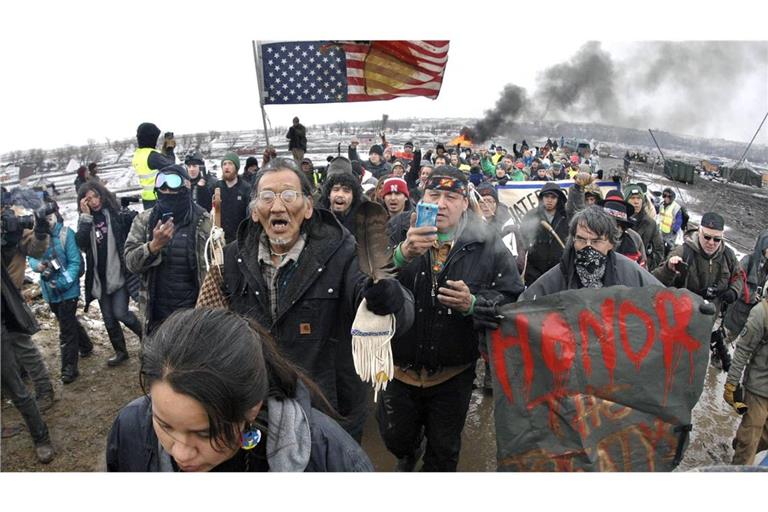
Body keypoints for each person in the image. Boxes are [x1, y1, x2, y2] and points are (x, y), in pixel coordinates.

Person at [222, 157, 414, 442]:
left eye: (289, 195)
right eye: (267, 197)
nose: (277, 206)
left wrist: (390, 298)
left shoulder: (343, 250)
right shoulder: (232, 257)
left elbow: (394, 308)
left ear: (308, 207)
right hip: (261, 410)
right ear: (254, 211)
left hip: (329, 410)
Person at [106, 308, 373, 472]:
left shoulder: (329, 457)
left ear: (252, 407)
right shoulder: (130, 429)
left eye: (205, 433)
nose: (180, 454)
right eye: (165, 426)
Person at [381, 166, 524, 471]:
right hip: (397, 367)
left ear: (464, 203)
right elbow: (365, 279)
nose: (442, 203)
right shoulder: (396, 230)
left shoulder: (486, 243)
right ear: (422, 199)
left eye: (451, 196)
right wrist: (401, 255)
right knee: (395, 438)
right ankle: (408, 451)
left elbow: (511, 297)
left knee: (444, 453)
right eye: (434, 195)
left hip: (453, 373)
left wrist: (473, 304)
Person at [124, 164, 212, 336]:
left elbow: (215, 270)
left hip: (192, 316)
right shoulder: (145, 221)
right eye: (162, 188)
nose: (167, 193)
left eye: (172, 188)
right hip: (156, 315)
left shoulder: (204, 222)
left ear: (185, 188)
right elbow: (130, 263)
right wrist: (153, 246)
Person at [1, 190, 56, 463]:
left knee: (22, 356)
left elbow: (35, 248)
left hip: (8, 302)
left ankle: (44, 399)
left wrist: (41, 229)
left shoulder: (11, 225)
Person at [653, 212, 743, 368]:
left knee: (695, 368)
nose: (711, 243)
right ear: (699, 232)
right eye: (707, 237)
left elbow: (739, 276)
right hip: (679, 324)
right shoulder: (683, 251)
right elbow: (655, 281)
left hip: (706, 325)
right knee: (670, 365)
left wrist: (734, 291)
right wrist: (669, 268)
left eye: (716, 239)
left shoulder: (728, 256)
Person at [520, 206, 661, 299]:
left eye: (596, 241)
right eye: (581, 239)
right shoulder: (558, 276)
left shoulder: (630, 272)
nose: (588, 247)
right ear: (573, 239)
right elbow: (525, 307)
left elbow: (663, 300)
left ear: (611, 243)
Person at [76, 181, 143, 365]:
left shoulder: (114, 214)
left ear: (102, 195)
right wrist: (85, 217)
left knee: (120, 313)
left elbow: (131, 228)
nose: (94, 202)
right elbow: (81, 243)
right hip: (99, 278)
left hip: (119, 274)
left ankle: (145, 337)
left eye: (96, 196)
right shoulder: (85, 220)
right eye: (88, 199)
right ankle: (121, 352)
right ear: (83, 202)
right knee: (108, 319)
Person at [28, 201, 93, 384]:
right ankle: (86, 345)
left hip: (68, 291)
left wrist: (64, 282)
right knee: (68, 322)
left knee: (66, 331)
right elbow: (31, 256)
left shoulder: (66, 234)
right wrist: (37, 266)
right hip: (50, 291)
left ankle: (69, 369)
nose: (47, 222)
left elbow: (75, 262)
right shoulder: (37, 236)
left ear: (56, 215)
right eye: (43, 219)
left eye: (49, 218)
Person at [723, 293, 768, 465]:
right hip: (758, 390)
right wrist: (731, 384)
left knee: (761, 440)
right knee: (749, 443)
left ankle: (740, 443)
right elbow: (742, 350)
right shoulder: (761, 313)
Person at [518, 182, 571, 286]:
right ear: (541, 198)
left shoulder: (566, 217)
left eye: (553, 197)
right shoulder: (531, 215)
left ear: (558, 199)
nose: (549, 200)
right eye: (546, 196)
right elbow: (522, 240)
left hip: (558, 271)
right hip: (534, 272)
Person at [724, 230, 768, 344]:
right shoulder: (748, 261)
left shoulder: (765, 267)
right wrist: (753, 296)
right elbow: (736, 281)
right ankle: (717, 355)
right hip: (737, 310)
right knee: (727, 337)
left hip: (751, 313)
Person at [598, 191, 647, 268]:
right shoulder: (592, 236)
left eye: (618, 225)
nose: (614, 229)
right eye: (610, 224)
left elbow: (642, 272)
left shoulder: (634, 239)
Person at [131, 122, 173, 210]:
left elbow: (157, 162)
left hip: (147, 199)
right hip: (159, 198)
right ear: (151, 138)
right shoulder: (152, 155)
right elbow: (171, 165)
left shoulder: (138, 155)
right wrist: (169, 148)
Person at [318, 161, 366, 234]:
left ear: (353, 197)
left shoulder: (365, 219)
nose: (340, 195)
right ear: (328, 195)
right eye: (336, 189)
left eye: (346, 191)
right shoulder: (317, 216)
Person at [624, 183, 664, 271]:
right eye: (632, 198)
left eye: (639, 198)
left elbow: (659, 252)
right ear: (626, 200)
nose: (636, 201)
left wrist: (644, 266)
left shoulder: (651, 224)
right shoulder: (620, 222)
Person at [214, 152, 251, 244]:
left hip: (239, 240)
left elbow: (249, 216)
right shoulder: (216, 187)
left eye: (230, 164)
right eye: (224, 164)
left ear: (236, 167)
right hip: (220, 240)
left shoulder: (246, 188)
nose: (226, 167)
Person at [657, 187, 683, 252]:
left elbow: (679, 220)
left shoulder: (676, 207)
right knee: (660, 245)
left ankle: (669, 258)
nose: (666, 198)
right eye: (665, 196)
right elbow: (659, 215)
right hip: (662, 230)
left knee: (670, 247)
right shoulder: (661, 205)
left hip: (671, 232)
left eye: (668, 196)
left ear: (671, 198)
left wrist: (675, 229)